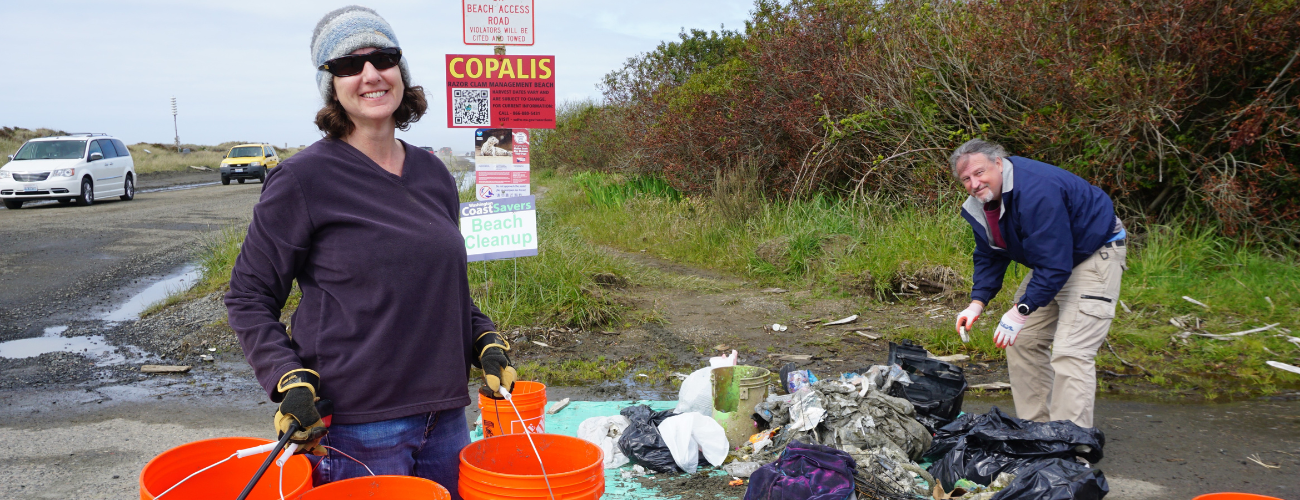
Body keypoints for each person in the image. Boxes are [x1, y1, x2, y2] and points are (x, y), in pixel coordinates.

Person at [225, 6, 515, 494]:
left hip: (445, 415)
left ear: (400, 72)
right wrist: (287, 379)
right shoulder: (302, 180)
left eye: (383, 58)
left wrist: (482, 337)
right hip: (359, 427)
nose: (370, 74)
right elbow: (248, 296)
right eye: (348, 65)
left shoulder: (434, 174)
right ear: (331, 85)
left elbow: (440, 288)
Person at [950, 139, 1125, 429]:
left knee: (1071, 353)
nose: (974, 183)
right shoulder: (984, 204)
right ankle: (1037, 434)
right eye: (966, 179)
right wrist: (976, 303)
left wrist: (1021, 311)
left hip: (1095, 252)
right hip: (1056, 258)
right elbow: (989, 254)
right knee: (1022, 340)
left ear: (998, 162)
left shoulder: (1035, 191)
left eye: (979, 173)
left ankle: (1070, 450)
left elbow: (1054, 263)